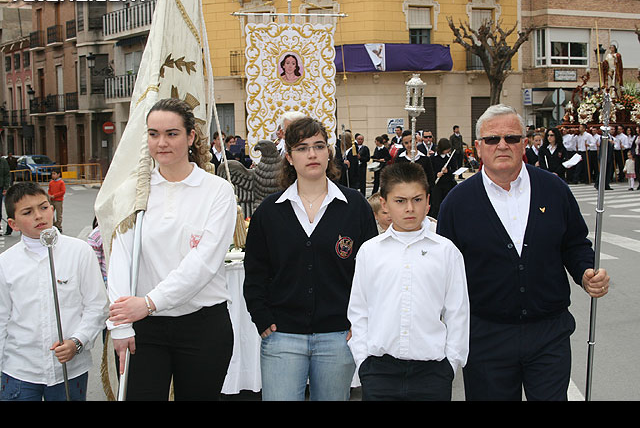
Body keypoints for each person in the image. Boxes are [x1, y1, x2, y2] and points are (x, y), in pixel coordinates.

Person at [437, 104, 610, 401]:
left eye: (512, 138)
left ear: (525, 143)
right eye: (492, 139)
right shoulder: (457, 202)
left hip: (548, 333)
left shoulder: (553, 189)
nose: (502, 145)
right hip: (485, 337)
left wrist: (586, 273)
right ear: (478, 147)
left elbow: (575, 243)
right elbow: (443, 268)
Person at [107, 98, 237, 401]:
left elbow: (203, 263)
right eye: (153, 134)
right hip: (143, 330)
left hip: (202, 326)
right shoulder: (133, 190)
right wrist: (121, 323)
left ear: (191, 137)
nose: (161, 143)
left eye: (172, 134)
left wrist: (150, 302)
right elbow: (120, 257)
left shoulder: (217, 191)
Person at [243, 116, 378, 401]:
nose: (312, 154)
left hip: (338, 336)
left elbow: (370, 272)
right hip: (282, 337)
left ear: (329, 153)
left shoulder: (355, 207)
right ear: (289, 157)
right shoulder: (269, 211)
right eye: (302, 148)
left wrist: (359, 323)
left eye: (319, 146)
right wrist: (262, 317)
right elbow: (255, 271)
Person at [347, 162, 469, 401]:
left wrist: (450, 364)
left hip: (432, 373)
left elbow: (458, 312)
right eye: (400, 201)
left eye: (417, 199)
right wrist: (363, 362)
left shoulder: (446, 251)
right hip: (379, 372)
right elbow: (359, 310)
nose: (410, 208)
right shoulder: (370, 251)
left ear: (428, 201)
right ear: (384, 203)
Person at [0, 182, 108, 401]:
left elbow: (97, 306)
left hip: (69, 370)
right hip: (19, 371)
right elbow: (2, 318)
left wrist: (78, 341)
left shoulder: (79, 252)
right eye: (28, 212)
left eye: (44, 207)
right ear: (13, 223)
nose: (39, 216)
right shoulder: (6, 263)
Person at [429, 138, 458, 219]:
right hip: (437, 185)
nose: (448, 151)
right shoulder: (433, 158)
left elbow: (454, 170)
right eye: (446, 149)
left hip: (448, 184)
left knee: (447, 203)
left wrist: (448, 171)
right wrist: (436, 174)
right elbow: (429, 171)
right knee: (436, 205)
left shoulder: (450, 158)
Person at [48, 168, 66, 233]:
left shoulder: (61, 182)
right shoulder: (51, 182)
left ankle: (58, 226)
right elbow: (49, 190)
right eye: (52, 174)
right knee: (50, 213)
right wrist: (49, 195)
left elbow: (62, 191)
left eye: (54, 174)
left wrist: (54, 195)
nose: (53, 175)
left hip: (58, 200)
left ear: (58, 174)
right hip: (51, 200)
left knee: (59, 214)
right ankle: (53, 225)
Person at [0, 155, 10, 236]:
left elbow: (7, 175)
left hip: (1, 187)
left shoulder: (3, 161)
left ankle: (8, 229)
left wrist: (6, 187)